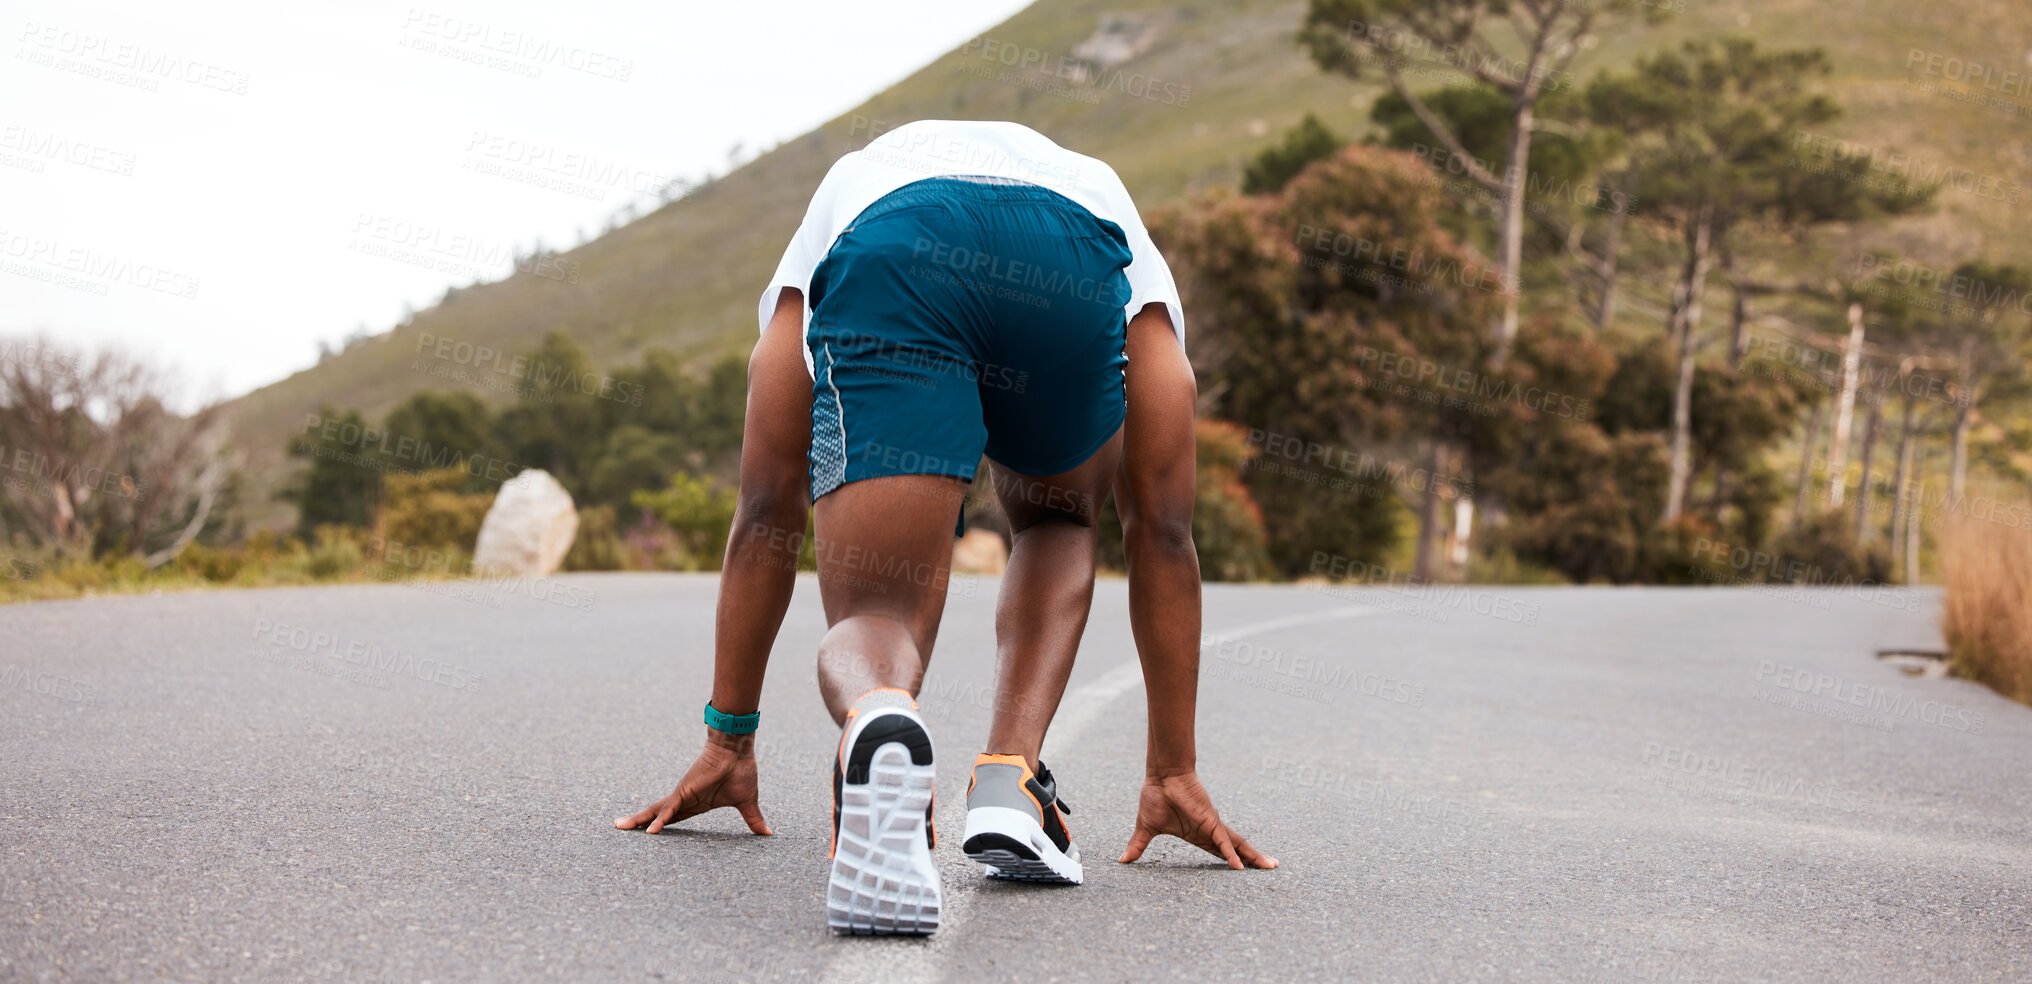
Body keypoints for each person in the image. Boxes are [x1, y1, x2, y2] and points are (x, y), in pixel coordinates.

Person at [615, 120, 1275, 935]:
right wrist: (1172, 768)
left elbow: (765, 509)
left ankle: (880, 712)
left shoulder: (851, 189)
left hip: (902, 243)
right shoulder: (1102, 193)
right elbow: (1165, 528)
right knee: (1061, 517)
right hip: (1066, 257)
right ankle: (1008, 778)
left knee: (880, 615)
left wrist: (730, 739)